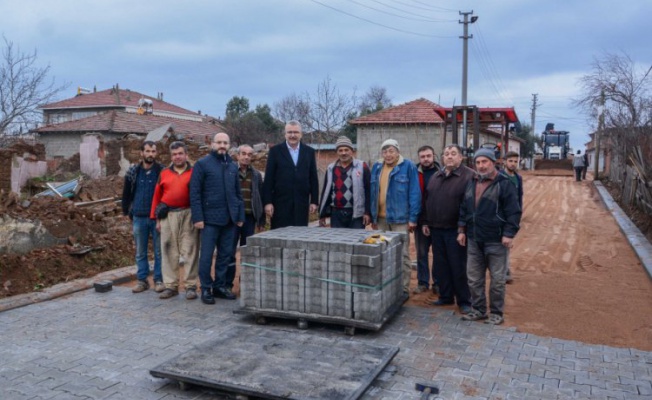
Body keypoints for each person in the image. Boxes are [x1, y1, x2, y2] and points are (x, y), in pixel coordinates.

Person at [457, 148, 521, 325]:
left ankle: (496, 313)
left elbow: (514, 212)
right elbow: (464, 208)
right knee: (474, 278)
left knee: (497, 280)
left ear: (493, 163)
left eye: (485, 162)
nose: (481, 166)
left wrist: (509, 233)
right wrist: (461, 230)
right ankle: (478, 310)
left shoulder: (504, 184)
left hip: (496, 240)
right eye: (478, 162)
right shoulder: (472, 182)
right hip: (473, 239)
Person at [190, 132, 244, 304]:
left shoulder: (232, 166)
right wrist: (198, 217)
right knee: (206, 256)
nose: (222, 145)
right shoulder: (202, 164)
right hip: (209, 220)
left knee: (226, 255)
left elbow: (238, 193)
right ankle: (206, 287)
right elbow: (195, 193)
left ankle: (220, 286)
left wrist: (239, 215)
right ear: (212, 144)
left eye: (225, 143)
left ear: (229, 145)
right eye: (219, 142)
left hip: (229, 219)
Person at [421, 144, 475, 314]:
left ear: (461, 157)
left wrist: (462, 229)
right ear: (442, 157)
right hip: (436, 229)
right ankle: (445, 296)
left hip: (456, 231)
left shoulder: (469, 176)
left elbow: (469, 206)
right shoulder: (437, 176)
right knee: (441, 265)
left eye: (453, 154)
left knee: (458, 266)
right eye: (446, 154)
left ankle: (464, 300)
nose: (449, 157)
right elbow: (428, 201)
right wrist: (426, 222)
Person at [370, 139, 421, 294]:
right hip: (381, 219)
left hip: (400, 219)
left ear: (398, 152)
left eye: (391, 151)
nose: (388, 155)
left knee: (402, 254)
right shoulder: (377, 167)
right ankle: (387, 286)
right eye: (385, 151)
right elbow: (372, 193)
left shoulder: (408, 166)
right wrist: (373, 217)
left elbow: (414, 193)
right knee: (383, 252)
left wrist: (413, 218)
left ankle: (403, 288)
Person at [150, 141, 199, 300]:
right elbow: (157, 196)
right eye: (174, 154)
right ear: (171, 156)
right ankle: (171, 286)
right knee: (168, 251)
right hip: (168, 216)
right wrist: (156, 219)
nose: (177, 157)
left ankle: (191, 286)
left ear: (186, 154)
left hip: (189, 215)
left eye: (180, 153)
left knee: (190, 250)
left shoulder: (195, 172)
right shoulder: (164, 173)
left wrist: (199, 217)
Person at [121, 140, 164, 294]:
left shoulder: (161, 171)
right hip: (139, 217)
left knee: (159, 251)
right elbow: (126, 194)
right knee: (140, 251)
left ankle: (159, 280)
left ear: (156, 153)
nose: (150, 154)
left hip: (157, 218)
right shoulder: (133, 172)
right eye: (147, 151)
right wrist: (126, 211)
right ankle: (142, 280)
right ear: (142, 153)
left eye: (153, 151)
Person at [263, 120, 319, 229]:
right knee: (279, 238)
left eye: (296, 132)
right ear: (285, 134)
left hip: (301, 203)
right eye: (289, 132)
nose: (292, 135)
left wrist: (314, 201)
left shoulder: (309, 152)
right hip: (280, 204)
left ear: (301, 134)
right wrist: (267, 202)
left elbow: (313, 178)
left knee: (299, 237)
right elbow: (269, 179)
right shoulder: (275, 152)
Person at [228, 144, 266, 290]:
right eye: (243, 153)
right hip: (232, 219)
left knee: (247, 252)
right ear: (237, 155)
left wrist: (261, 220)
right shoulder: (230, 171)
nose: (246, 157)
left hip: (249, 219)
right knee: (229, 251)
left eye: (249, 154)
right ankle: (227, 284)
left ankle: (245, 284)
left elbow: (260, 197)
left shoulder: (256, 175)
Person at [318, 136, 371, 229]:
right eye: (340, 150)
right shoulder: (331, 168)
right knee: (338, 242)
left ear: (352, 151)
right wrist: (322, 214)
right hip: (336, 214)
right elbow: (326, 191)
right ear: (337, 152)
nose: (344, 153)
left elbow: (368, 191)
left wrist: (367, 212)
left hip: (356, 214)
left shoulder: (362, 166)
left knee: (356, 241)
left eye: (346, 150)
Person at [413, 145, 441, 294]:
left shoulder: (441, 172)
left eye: (428, 156)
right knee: (421, 253)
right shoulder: (414, 173)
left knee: (438, 253)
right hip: (420, 220)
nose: (426, 159)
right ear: (419, 158)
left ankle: (437, 283)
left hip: (438, 221)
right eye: (423, 156)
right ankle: (423, 282)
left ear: (433, 156)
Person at [501, 151, 523, 284]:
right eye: (511, 161)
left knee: (507, 244)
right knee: (501, 245)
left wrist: (518, 212)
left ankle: (506, 270)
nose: (513, 164)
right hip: (501, 215)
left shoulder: (518, 178)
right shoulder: (499, 176)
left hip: (512, 215)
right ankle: (504, 272)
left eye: (515, 161)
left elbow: (520, 196)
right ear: (504, 162)